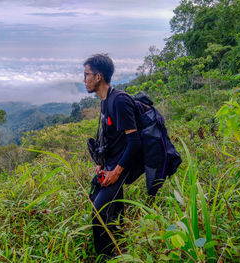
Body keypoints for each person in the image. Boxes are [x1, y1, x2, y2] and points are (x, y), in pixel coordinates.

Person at [83, 54, 143, 259]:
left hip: (119, 168)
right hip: (109, 165)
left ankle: (105, 257)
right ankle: (120, 250)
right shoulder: (105, 101)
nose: (84, 79)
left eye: (87, 75)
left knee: (98, 214)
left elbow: (134, 142)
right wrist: (102, 165)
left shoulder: (119, 101)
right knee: (111, 210)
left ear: (98, 76)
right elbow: (113, 139)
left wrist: (117, 172)